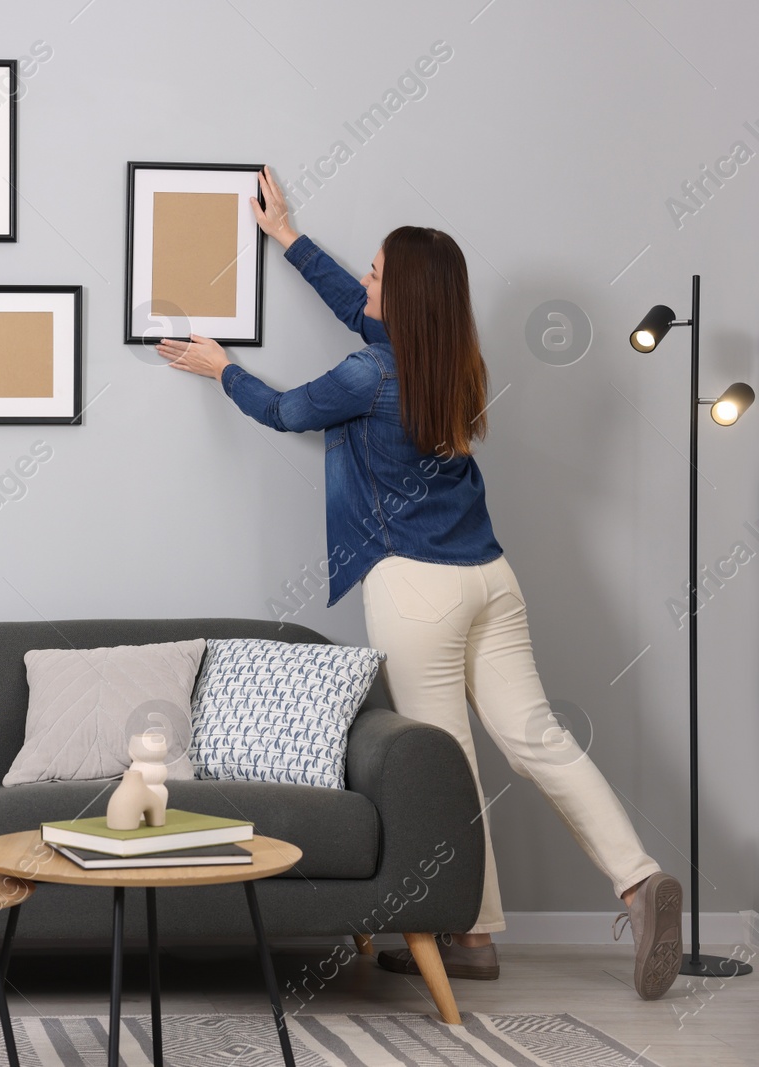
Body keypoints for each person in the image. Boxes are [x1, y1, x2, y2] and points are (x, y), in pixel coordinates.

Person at [159, 168, 684, 1001]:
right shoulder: (452, 359)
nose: (364, 281)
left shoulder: (370, 377)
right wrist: (288, 238)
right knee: (538, 737)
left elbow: (290, 411)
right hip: (491, 578)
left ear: (401, 299)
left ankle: (470, 931)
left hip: (415, 588)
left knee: (449, 762)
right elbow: (362, 313)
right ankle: (638, 878)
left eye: (374, 273)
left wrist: (224, 367)